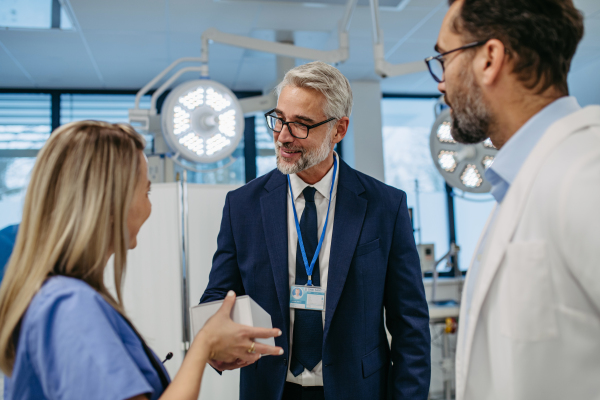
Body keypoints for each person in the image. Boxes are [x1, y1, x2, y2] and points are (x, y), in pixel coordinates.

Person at [0, 121, 283, 400]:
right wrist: (204, 344)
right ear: (111, 203)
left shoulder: (57, 297)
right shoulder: (70, 306)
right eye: (146, 192)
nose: (149, 206)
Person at [200, 61, 430, 400]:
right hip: (271, 389)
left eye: (302, 125)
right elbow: (219, 299)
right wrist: (217, 347)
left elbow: (410, 324)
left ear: (339, 130)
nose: (283, 136)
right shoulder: (243, 205)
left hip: (358, 390)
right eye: (279, 120)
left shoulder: (385, 206)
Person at [426, 1, 599, 399]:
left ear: (490, 58)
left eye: (444, 58)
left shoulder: (587, 171)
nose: (441, 82)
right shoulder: (522, 180)